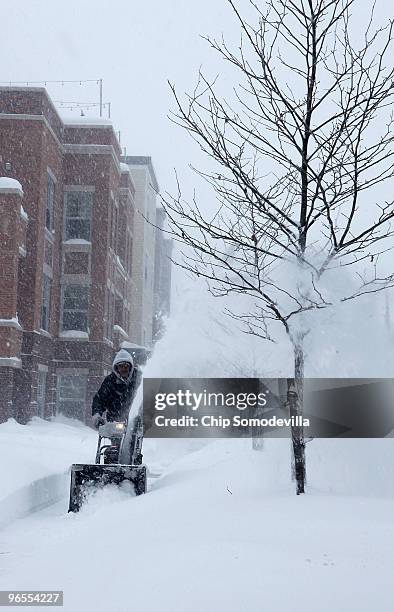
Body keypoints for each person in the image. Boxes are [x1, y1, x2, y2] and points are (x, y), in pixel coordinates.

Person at [91, 349, 141, 428]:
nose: (123, 369)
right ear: (116, 368)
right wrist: (97, 416)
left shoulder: (138, 378)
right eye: (120, 366)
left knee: (134, 436)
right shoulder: (110, 381)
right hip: (115, 421)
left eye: (126, 366)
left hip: (135, 423)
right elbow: (99, 399)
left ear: (130, 367)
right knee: (116, 438)